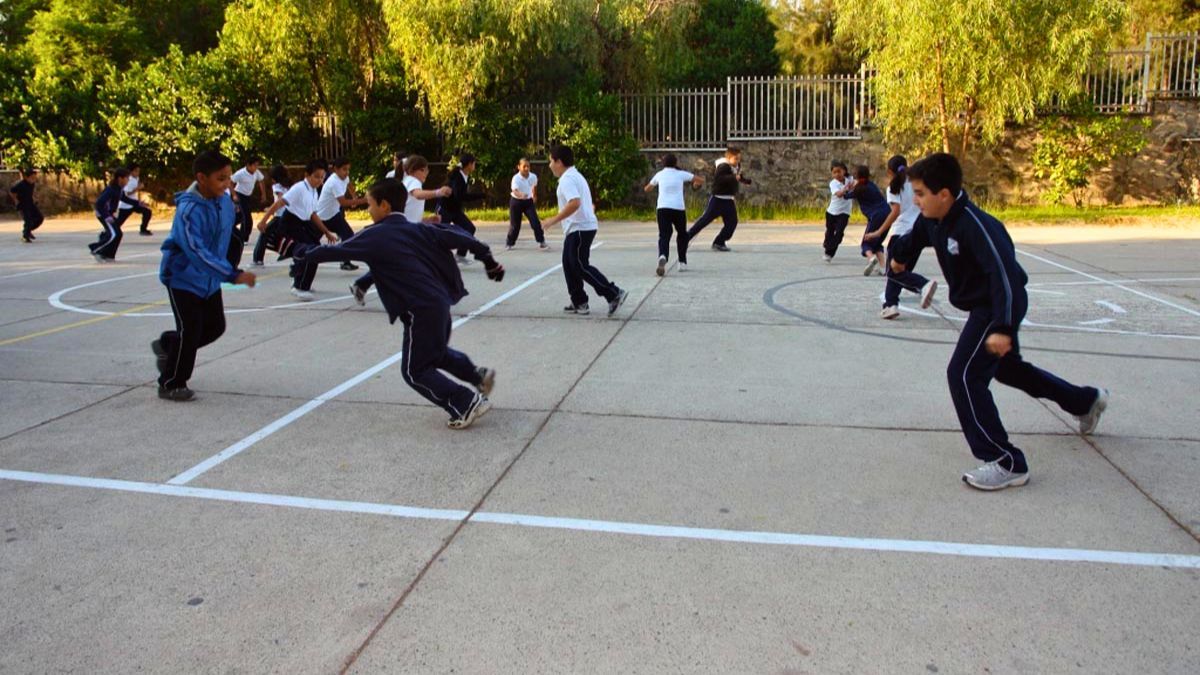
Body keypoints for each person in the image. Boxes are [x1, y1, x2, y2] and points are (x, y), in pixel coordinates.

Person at [890, 153, 1108, 491]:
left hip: (997, 305)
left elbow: (1005, 279)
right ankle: (1085, 400)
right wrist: (899, 258)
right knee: (1008, 370)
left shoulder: (977, 226)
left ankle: (1007, 462)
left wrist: (1003, 327)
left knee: (963, 375)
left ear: (944, 194)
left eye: (919, 193)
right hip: (984, 306)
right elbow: (911, 242)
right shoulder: (931, 218)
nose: (915, 201)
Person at [292, 178, 505, 429]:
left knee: (414, 370)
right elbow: (463, 237)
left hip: (419, 309)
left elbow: (334, 251)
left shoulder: (374, 234)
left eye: (370, 205)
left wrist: (299, 251)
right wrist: (488, 261)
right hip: (438, 303)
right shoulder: (418, 229)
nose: (368, 210)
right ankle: (476, 376)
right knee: (435, 354)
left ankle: (465, 401)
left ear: (383, 205)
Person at [152, 150, 256, 401]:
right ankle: (171, 382)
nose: (227, 183)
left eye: (229, 177)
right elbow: (196, 251)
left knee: (215, 327)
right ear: (201, 178)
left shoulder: (223, 200)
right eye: (221, 179)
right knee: (191, 330)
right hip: (183, 278)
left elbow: (228, 231)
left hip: (208, 279)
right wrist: (231, 274)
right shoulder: (188, 211)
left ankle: (168, 345)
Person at [349, 154, 451, 305]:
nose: (426, 175)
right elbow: (417, 195)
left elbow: (410, 213)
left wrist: (427, 220)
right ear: (418, 170)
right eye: (425, 171)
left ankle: (362, 284)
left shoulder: (410, 181)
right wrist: (438, 192)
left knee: (393, 263)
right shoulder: (412, 181)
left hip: (405, 231)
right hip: (401, 233)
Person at [542, 145, 627, 317]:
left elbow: (575, 202)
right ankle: (579, 301)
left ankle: (613, 293)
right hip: (578, 228)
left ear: (559, 162)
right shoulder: (574, 175)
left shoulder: (568, 179)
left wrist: (553, 220)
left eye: (551, 161)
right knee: (569, 264)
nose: (550, 165)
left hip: (580, 228)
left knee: (580, 265)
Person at [864, 155, 937, 319]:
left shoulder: (894, 187)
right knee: (900, 272)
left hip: (901, 233)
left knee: (893, 272)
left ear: (890, 172)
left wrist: (878, 232)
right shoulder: (916, 182)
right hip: (918, 233)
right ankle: (891, 305)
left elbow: (895, 212)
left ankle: (922, 284)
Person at [257, 159, 337, 300]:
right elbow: (279, 203)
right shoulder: (299, 188)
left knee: (316, 250)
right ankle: (298, 286)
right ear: (307, 175)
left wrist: (326, 232)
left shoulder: (313, 192)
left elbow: (312, 214)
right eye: (316, 176)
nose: (319, 180)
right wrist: (263, 220)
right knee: (307, 251)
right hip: (289, 224)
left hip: (302, 225)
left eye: (322, 177)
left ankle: (304, 284)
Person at [644, 153, 703, 275]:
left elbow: (647, 188)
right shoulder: (681, 174)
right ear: (676, 163)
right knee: (682, 234)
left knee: (664, 235)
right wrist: (696, 184)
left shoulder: (659, 175)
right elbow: (699, 180)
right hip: (678, 208)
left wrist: (653, 187)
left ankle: (663, 255)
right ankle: (682, 262)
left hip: (663, 208)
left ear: (664, 164)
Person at [684, 146, 751, 252]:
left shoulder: (736, 166)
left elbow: (737, 176)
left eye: (739, 159)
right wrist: (734, 177)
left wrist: (746, 181)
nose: (738, 161)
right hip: (718, 200)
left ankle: (719, 242)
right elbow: (719, 179)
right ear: (729, 158)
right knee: (704, 221)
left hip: (729, 200)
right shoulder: (723, 166)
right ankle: (685, 239)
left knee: (732, 222)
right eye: (736, 159)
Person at [315, 156, 367, 271]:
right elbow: (343, 202)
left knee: (348, 236)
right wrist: (363, 200)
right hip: (322, 216)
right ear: (335, 169)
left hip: (333, 214)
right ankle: (300, 259)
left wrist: (354, 196)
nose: (346, 172)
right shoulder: (334, 183)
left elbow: (349, 184)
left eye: (348, 169)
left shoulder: (344, 177)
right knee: (312, 241)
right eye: (344, 169)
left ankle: (345, 261)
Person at [437, 152, 484, 263]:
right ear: (469, 164)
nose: (474, 166)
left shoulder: (464, 175)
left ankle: (460, 255)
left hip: (455, 209)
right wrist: (479, 195)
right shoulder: (458, 177)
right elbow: (460, 196)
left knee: (469, 228)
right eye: (474, 163)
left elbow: (459, 197)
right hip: (445, 209)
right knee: (439, 234)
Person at [848, 165, 888, 276]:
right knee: (877, 241)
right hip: (887, 215)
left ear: (859, 178)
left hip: (876, 217)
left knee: (866, 243)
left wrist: (848, 187)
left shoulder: (859, 189)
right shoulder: (872, 186)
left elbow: (845, 196)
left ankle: (871, 258)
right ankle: (883, 267)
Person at [251, 164, 291, 267]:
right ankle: (287, 252)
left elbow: (280, 200)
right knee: (284, 236)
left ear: (274, 178)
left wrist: (270, 210)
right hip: (289, 215)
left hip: (279, 216)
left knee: (264, 234)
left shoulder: (277, 186)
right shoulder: (289, 185)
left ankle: (258, 259)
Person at [89, 168, 131, 263]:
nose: (128, 180)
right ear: (120, 178)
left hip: (110, 214)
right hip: (103, 214)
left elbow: (124, 198)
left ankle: (108, 255)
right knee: (114, 234)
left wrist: (138, 203)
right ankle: (95, 249)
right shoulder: (111, 189)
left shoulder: (119, 189)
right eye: (127, 178)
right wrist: (106, 216)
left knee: (118, 234)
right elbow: (99, 203)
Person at [506, 158, 548, 251]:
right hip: (516, 202)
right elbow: (515, 190)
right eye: (524, 166)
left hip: (528, 202)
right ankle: (509, 242)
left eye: (528, 166)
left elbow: (534, 186)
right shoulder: (516, 178)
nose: (526, 168)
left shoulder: (533, 176)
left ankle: (541, 241)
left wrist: (534, 195)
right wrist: (521, 195)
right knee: (515, 225)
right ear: (519, 167)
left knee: (535, 222)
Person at [231, 156, 268, 245]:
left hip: (247, 196)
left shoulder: (256, 172)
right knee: (247, 218)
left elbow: (261, 181)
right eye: (254, 165)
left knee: (240, 217)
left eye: (257, 166)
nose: (256, 168)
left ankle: (228, 226)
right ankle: (244, 238)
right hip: (239, 195)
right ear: (248, 165)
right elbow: (230, 182)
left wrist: (263, 194)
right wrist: (234, 195)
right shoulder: (240, 173)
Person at [823, 161, 854, 262]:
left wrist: (854, 185)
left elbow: (856, 183)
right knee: (830, 232)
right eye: (834, 172)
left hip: (844, 213)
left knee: (839, 233)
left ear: (844, 171)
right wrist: (846, 188)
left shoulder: (849, 179)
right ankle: (827, 246)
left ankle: (830, 252)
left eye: (839, 171)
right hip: (832, 212)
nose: (837, 174)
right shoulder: (833, 183)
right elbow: (839, 194)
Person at [116, 164, 154, 237]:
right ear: (131, 172)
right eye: (136, 171)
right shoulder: (128, 180)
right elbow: (126, 194)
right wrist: (138, 188)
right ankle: (107, 232)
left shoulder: (136, 178)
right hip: (126, 205)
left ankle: (143, 229)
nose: (138, 173)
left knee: (147, 212)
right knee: (119, 222)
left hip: (134, 203)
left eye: (138, 171)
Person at [10, 168, 43, 243]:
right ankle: (25, 236)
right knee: (28, 221)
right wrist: (16, 200)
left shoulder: (32, 184)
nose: (34, 179)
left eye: (35, 178)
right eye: (32, 178)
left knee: (40, 218)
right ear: (27, 177)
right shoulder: (20, 184)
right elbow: (12, 191)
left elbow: (30, 192)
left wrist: (34, 197)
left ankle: (28, 231)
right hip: (23, 205)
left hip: (30, 203)